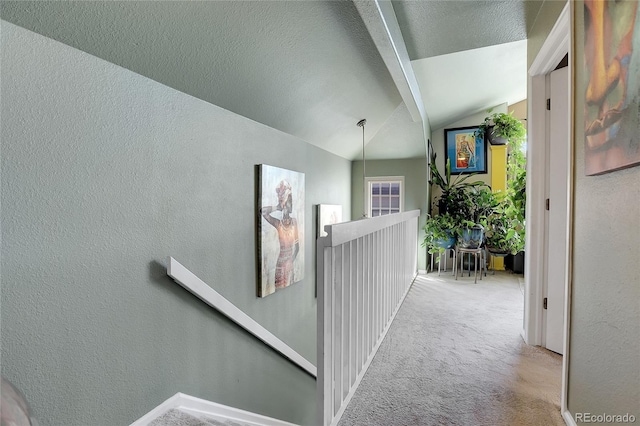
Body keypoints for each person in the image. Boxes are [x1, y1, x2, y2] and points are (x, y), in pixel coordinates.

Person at [261, 180, 300, 289]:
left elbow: (297, 248)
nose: (286, 207)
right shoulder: (278, 224)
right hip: (280, 265)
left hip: (289, 265)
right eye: (285, 204)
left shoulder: (294, 222)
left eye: (288, 203)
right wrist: (277, 207)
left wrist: (290, 262)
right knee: (279, 290)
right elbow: (263, 212)